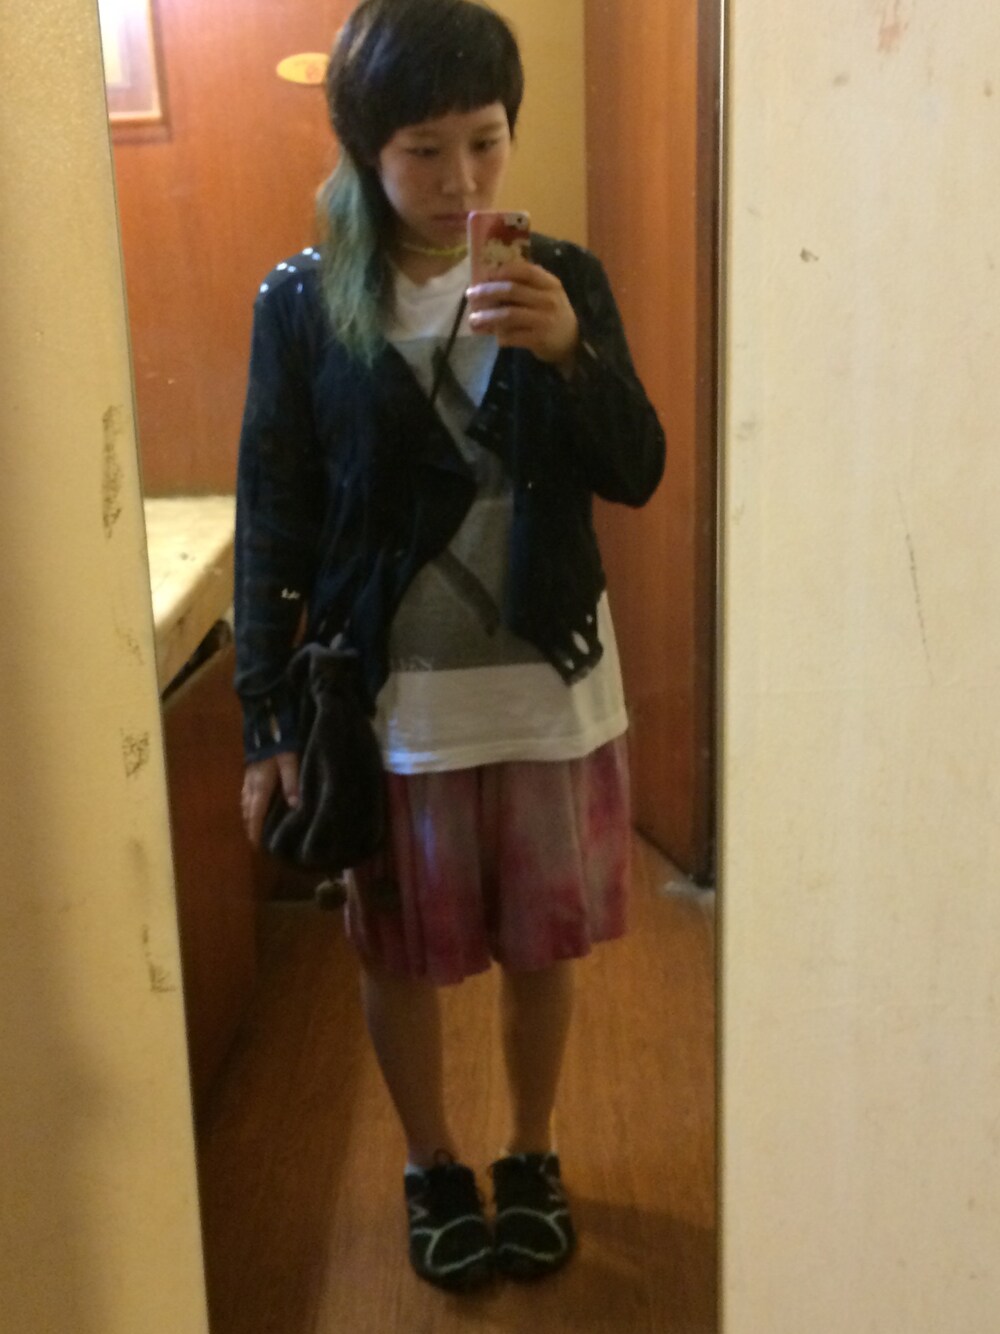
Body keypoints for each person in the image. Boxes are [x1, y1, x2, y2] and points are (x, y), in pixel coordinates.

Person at [234, 0, 665, 1293]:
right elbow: (276, 513)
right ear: (366, 151)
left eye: (485, 140)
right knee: (396, 954)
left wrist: (570, 353)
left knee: (543, 947)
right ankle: (433, 1164)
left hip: (548, 688)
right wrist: (267, 720)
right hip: (393, 707)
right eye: (423, 149)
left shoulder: (563, 277)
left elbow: (637, 468)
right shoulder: (307, 302)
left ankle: (532, 1151)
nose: (462, 180)